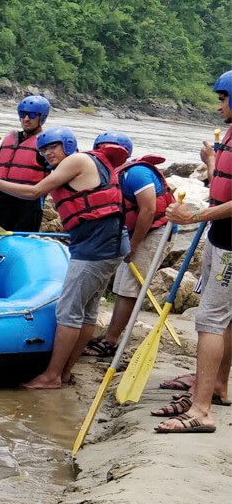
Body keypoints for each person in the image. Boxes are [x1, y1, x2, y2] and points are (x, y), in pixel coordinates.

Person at [0, 126, 128, 390]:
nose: (47, 153)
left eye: (52, 147)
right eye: (44, 150)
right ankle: (65, 372)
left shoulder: (77, 160)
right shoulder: (84, 163)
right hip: (108, 245)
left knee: (69, 311)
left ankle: (52, 376)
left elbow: (34, 192)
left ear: (68, 145)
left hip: (96, 249)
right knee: (87, 310)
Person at [154, 69, 232, 434]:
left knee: (210, 321)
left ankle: (201, 411)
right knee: (226, 319)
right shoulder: (230, 133)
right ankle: (216, 387)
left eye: (222, 98)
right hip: (221, 236)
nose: (218, 106)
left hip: (231, 245)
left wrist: (192, 215)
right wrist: (213, 159)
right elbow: (224, 184)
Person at [84, 132, 173, 358]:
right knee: (121, 286)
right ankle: (109, 335)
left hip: (156, 232)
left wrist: (133, 245)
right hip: (135, 232)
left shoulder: (136, 173)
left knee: (130, 288)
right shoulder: (109, 176)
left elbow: (149, 210)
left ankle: (111, 341)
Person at [0, 95, 53, 233]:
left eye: (32, 115)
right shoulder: (10, 140)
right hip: (3, 203)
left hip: (29, 206)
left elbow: (62, 176)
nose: (26, 119)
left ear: (41, 117)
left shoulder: (46, 145)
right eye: (23, 114)